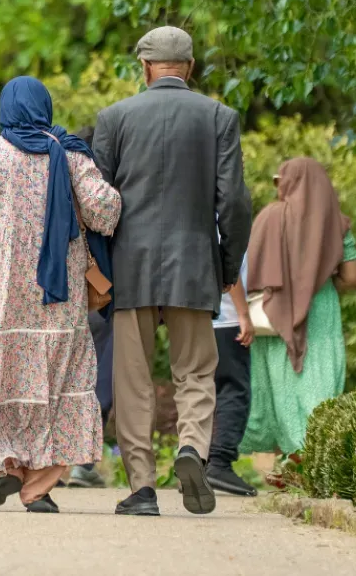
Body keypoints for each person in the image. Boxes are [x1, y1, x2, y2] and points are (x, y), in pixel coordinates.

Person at [92, 26, 252, 516]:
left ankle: (142, 488)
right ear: (191, 67)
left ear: (144, 67)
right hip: (194, 265)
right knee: (197, 372)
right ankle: (191, 448)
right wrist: (227, 266)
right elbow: (234, 202)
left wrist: (98, 272)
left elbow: (98, 204)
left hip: (129, 269)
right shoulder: (219, 117)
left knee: (133, 382)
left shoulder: (114, 118)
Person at [0, 77, 121, 513]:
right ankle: (37, 488)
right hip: (59, 300)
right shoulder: (69, 153)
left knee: (1, 378)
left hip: (2, 299)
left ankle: (7, 465)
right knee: (62, 385)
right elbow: (105, 213)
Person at [237, 158, 356, 486]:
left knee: (279, 388)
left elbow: (248, 270)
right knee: (317, 384)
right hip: (319, 311)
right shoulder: (336, 224)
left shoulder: (269, 217)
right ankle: (308, 465)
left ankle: (292, 463)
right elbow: (352, 277)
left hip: (273, 316)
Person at [67, 125, 115, 489]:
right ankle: (82, 463)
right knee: (101, 376)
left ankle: (48, 464)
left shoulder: (49, 184)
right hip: (98, 294)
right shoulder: (100, 188)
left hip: (57, 295)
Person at [205, 252, 258, 497]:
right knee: (234, 391)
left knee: (199, 392)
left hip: (194, 317)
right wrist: (243, 314)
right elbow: (228, 261)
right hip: (225, 318)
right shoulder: (221, 225)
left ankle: (197, 463)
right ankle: (219, 463)